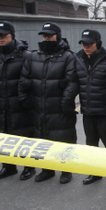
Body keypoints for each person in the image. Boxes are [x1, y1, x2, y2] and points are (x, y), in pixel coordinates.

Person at [19, 22, 79, 184]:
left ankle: (66, 170)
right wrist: (26, 100)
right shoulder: (33, 56)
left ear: (57, 37)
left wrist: (66, 104)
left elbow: (71, 82)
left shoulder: (68, 57)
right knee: (42, 140)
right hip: (38, 107)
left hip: (59, 108)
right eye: (44, 36)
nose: (46, 38)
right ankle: (47, 170)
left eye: (49, 36)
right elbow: (24, 80)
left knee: (64, 139)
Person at [0, 21, 34, 180]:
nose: (0, 39)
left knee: (24, 137)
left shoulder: (25, 56)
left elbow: (30, 81)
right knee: (2, 139)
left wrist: (27, 101)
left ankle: (29, 167)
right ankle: (8, 167)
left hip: (19, 105)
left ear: (12, 35)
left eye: (4, 35)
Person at [74, 28, 106, 188]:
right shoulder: (78, 59)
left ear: (98, 44)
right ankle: (94, 172)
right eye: (83, 44)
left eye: (89, 44)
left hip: (104, 110)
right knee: (91, 144)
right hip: (87, 110)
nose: (86, 47)